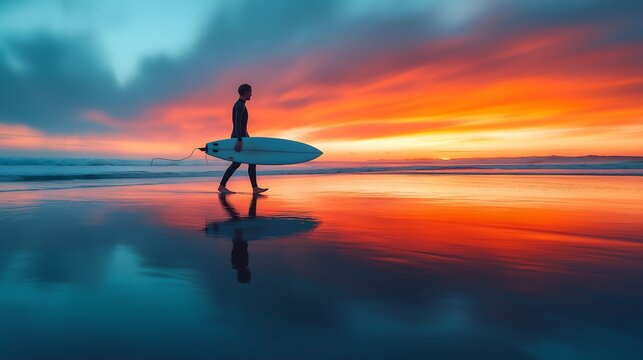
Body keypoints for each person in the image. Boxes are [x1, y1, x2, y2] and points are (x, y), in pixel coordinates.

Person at [218, 83, 268, 194]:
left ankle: (223, 186)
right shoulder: (240, 106)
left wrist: (245, 137)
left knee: (240, 163)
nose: (252, 94)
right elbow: (237, 124)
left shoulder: (241, 105)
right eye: (250, 91)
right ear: (245, 92)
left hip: (242, 136)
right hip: (239, 137)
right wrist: (240, 140)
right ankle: (253, 188)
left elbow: (240, 125)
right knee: (251, 160)